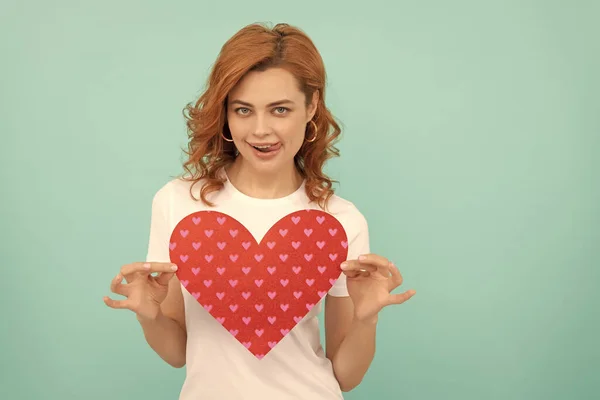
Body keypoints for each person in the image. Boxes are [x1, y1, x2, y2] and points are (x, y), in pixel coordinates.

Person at [104, 22, 416, 399]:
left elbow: (346, 376)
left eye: (280, 109)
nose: (261, 130)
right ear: (226, 113)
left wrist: (367, 319)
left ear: (311, 106)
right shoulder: (178, 203)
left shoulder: (339, 221)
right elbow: (176, 354)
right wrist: (148, 313)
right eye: (243, 110)